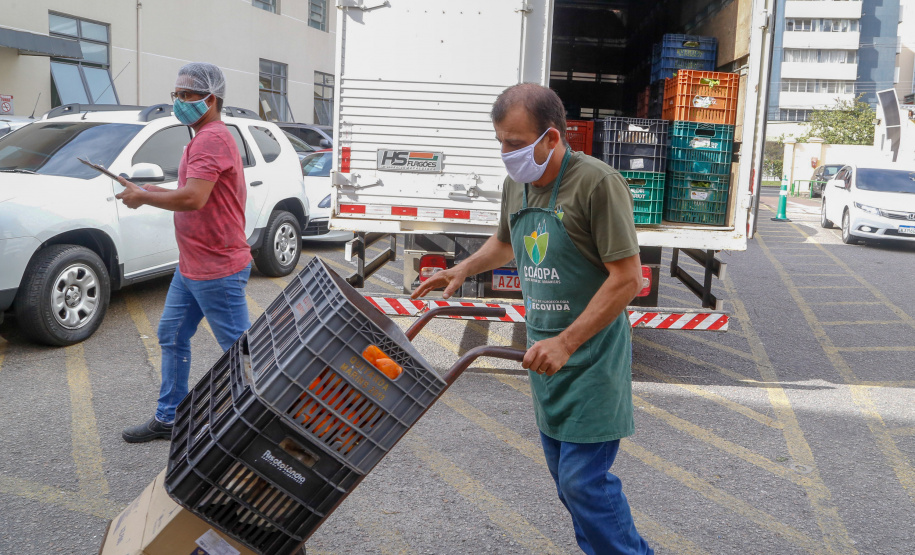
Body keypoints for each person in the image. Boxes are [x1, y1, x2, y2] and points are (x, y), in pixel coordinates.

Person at [412, 83, 652, 554]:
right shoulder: (516, 184)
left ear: (552, 138)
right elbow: (505, 241)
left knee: (584, 483)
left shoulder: (597, 184)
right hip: (543, 358)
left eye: (516, 144)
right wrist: (462, 268)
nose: (506, 153)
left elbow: (627, 280)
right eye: (501, 141)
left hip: (590, 360)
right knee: (567, 485)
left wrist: (567, 342)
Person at [119, 62, 251, 443]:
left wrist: (144, 197)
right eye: (176, 94)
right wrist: (148, 190)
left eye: (188, 95)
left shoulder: (211, 137)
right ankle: (169, 417)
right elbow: (190, 191)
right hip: (193, 264)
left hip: (217, 267)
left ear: (211, 99)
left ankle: (264, 422)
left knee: (240, 352)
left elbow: (194, 198)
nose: (179, 101)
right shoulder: (201, 137)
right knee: (172, 335)